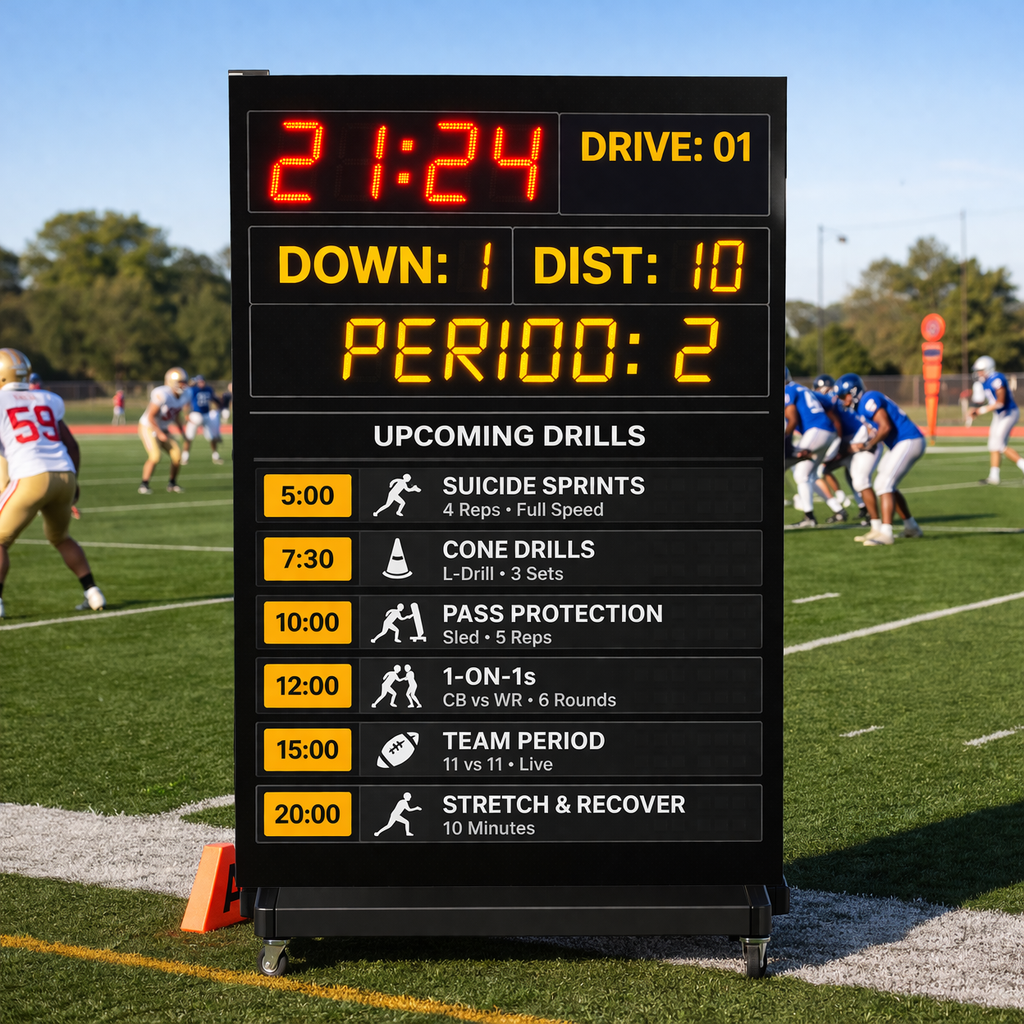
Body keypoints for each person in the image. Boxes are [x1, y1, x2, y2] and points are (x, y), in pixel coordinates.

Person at [0, 348, 105, 618]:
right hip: (64, 475)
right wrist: (75, 482)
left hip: (31, 477)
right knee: (60, 537)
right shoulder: (47, 398)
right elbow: (71, 444)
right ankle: (93, 592)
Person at [835, 373, 925, 546]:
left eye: (844, 396)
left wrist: (869, 444)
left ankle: (886, 533)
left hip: (909, 439)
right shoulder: (862, 406)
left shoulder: (868, 399)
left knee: (883, 484)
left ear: (853, 392)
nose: (843, 401)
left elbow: (885, 427)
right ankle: (911, 527)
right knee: (887, 484)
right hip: (902, 442)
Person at [784, 368, 842, 528]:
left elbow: (792, 419)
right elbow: (830, 406)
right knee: (803, 475)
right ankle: (811, 516)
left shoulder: (788, 390)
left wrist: (784, 437)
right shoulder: (802, 389)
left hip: (817, 431)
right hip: (825, 432)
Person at [967, 356, 1024, 484]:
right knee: (993, 445)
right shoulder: (984, 381)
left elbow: (1000, 402)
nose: (978, 373)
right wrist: (974, 410)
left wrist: (979, 411)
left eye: (980, 370)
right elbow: (981, 400)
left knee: (999, 444)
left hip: (1009, 413)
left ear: (988, 368)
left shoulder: (997, 379)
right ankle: (994, 476)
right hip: (999, 415)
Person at [138, 367, 189, 494]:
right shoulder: (163, 394)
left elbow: (176, 415)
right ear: (171, 382)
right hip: (148, 426)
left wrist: (182, 432)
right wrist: (159, 433)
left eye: (184, 382)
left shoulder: (184, 396)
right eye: (180, 382)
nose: (183, 385)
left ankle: (172, 483)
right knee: (155, 456)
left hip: (163, 429)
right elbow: (150, 416)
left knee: (177, 456)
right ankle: (144, 484)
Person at [181, 374, 224, 465]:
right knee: (189, 437)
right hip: (195, 414)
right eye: (199, 381)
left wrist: (219, 405)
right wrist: (186, 415)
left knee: (212, 437)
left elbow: (215, 400)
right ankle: (185, 457)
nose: (201, 383)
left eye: (202, 381)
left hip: (206, 414)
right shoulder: (192, 390)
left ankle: (215, 456)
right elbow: (186, 402)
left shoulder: (208, 389)